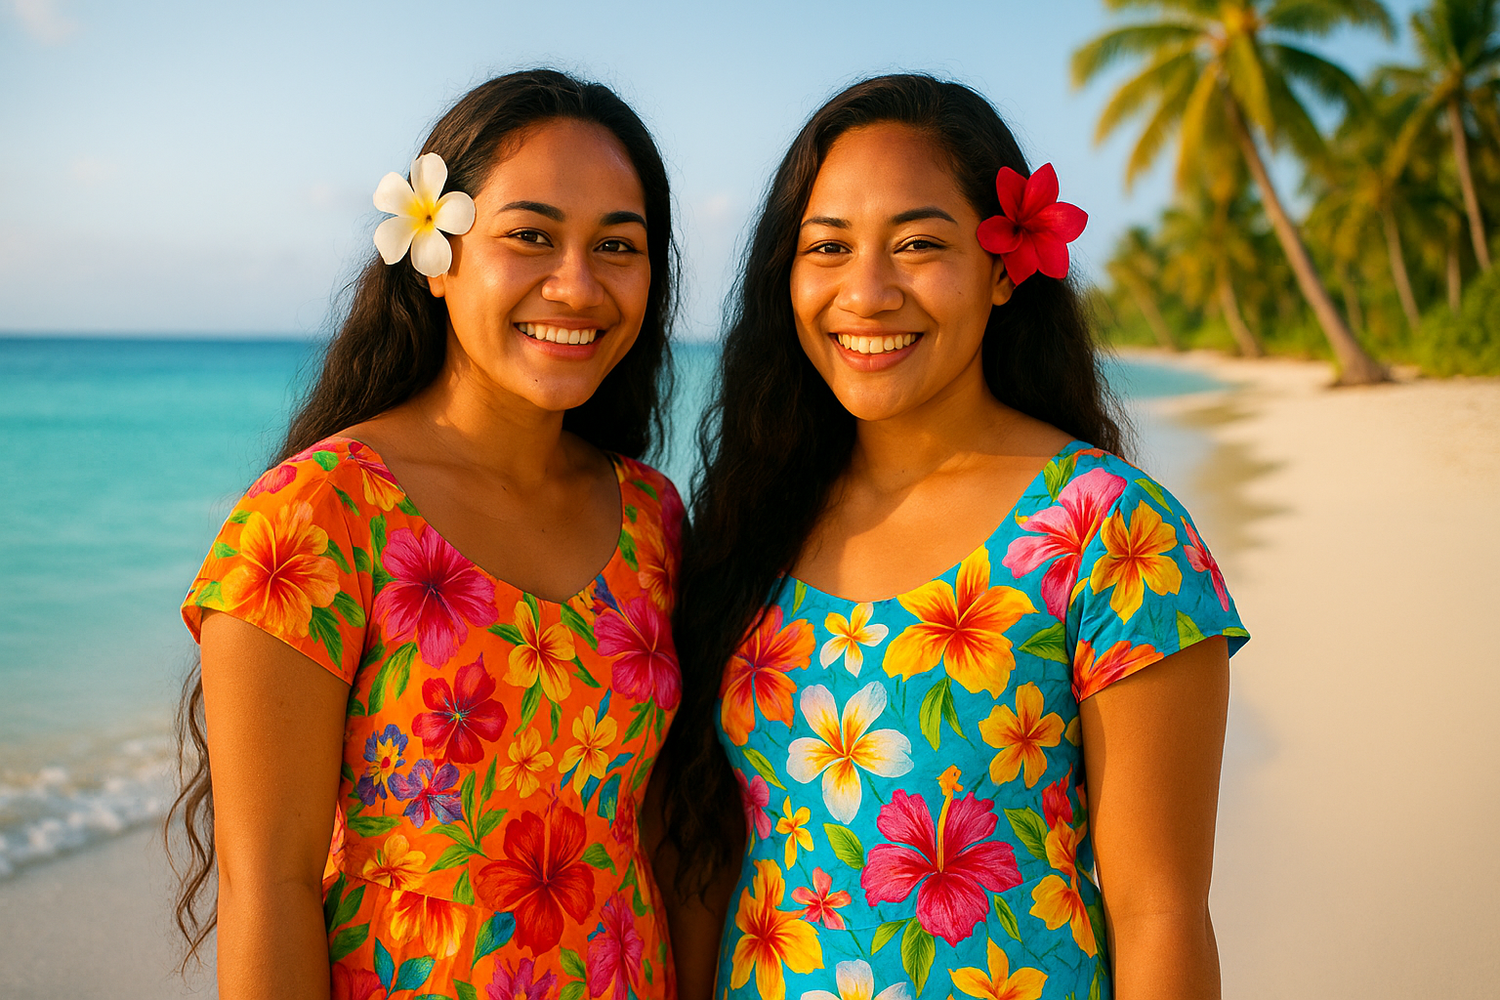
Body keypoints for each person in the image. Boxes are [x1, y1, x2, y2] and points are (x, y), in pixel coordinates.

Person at [663, 75, 1248, 1000]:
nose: (867, 291)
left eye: (919, 245)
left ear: (1007, 267)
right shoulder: (754, 521)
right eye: (828, 248)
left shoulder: (1108, 531)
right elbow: (710, 857)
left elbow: (1159, 911)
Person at [170, 69, 685, 999]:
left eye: (618, 245)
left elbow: (653, 834)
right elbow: (269, 888)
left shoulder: (653, 518)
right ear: (436, 253)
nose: (577, 284)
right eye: (531, 236)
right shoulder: (316, 518)